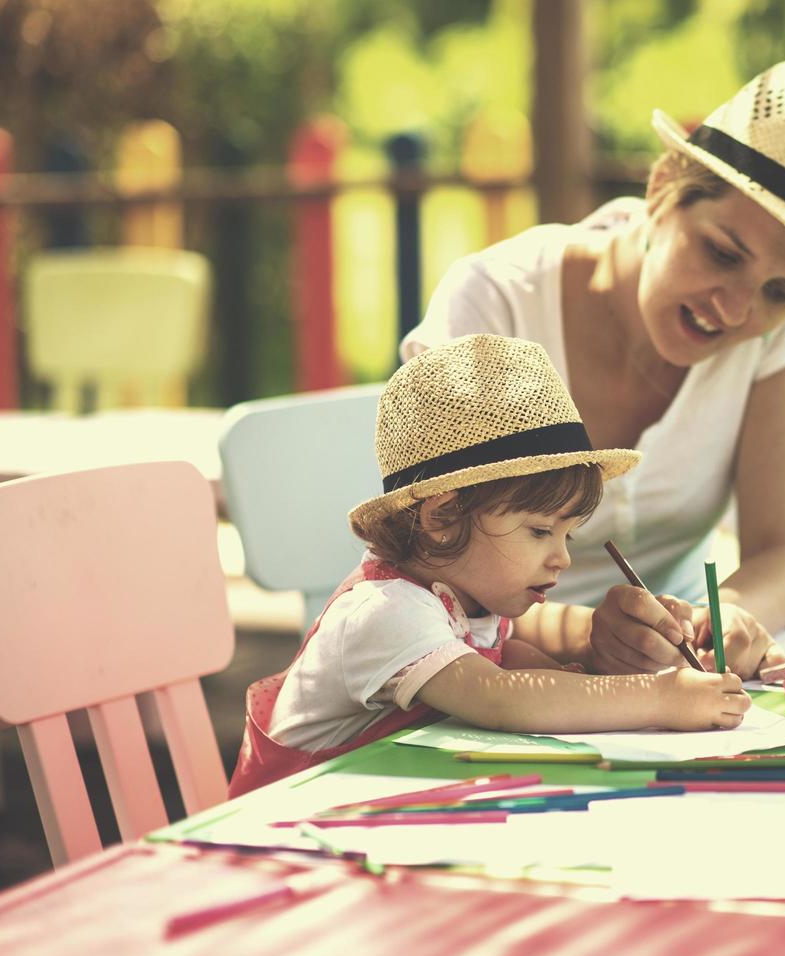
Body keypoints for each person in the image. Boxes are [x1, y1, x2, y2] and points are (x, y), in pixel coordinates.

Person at [403, 60, 785, 681]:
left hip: (669, 683)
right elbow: (435, 572)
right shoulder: (495, 301)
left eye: (780, 293)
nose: (735, 309)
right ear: (662, 187)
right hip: (482, 677)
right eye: (721, 253)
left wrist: (728, 620)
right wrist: (589, 636)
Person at [229, 334, 750, 796]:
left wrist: (599, 662)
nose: (562, 556)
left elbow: (516, 651)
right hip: (284, 830)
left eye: (568, 533)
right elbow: (499, 697)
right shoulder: (386, 610)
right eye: (540, 531)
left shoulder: (461, 594)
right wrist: (659, 698)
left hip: (372, 813)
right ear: (443, 516)